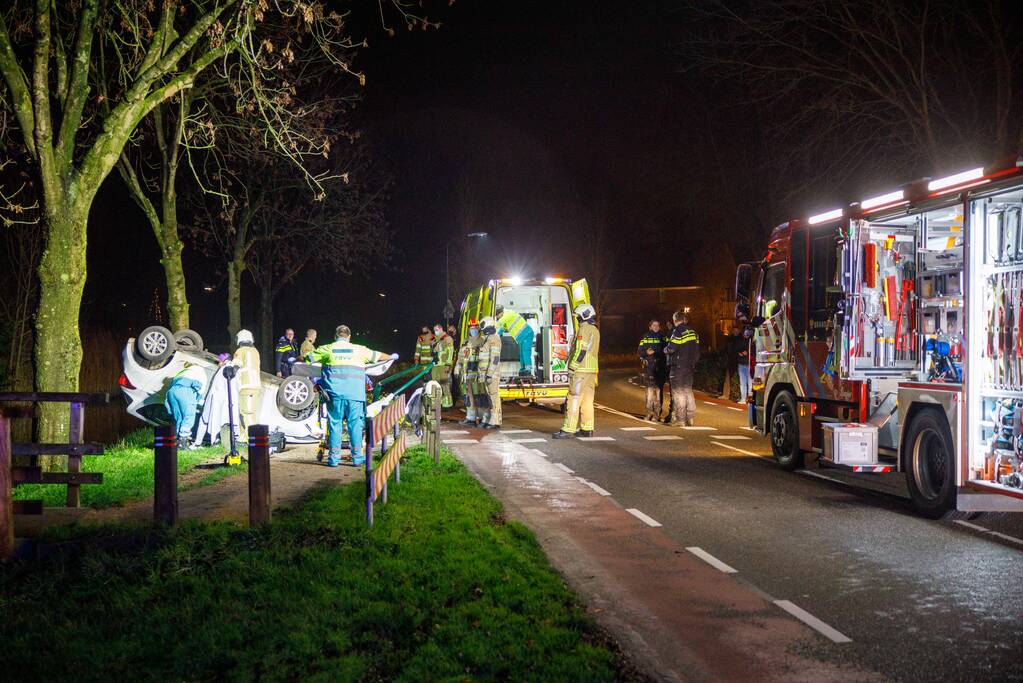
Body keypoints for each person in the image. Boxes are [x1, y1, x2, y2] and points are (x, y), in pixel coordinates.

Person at [307, 325, 396, 467]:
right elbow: (379, 356)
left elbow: (307, 358)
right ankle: (357, 457)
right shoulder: (360, 350)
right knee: (355, 425)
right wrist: (392, 357)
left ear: (336, 336)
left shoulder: (328, 349)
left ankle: (334, 459)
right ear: (349, 337)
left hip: (334, 395)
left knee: (334, 424)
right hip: (355, 395)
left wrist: (295, 359)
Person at [554, 303, 600, 438]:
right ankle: (587, 429)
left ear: (584, 316)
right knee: (587, 400)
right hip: (592, 370)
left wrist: (572, 367)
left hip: (580, 370)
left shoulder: (584, 329)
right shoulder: (595, 330)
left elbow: (581, 350)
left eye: (578, 317)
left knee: (574, 397)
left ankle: (568, 429)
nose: (578, 319)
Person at [664, 310, 700, 427]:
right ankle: (690, 418)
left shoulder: (678, 331)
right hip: (689, 367)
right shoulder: (693, 332)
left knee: (678, 393)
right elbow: (697, 351)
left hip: (678, 367)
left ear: (675, 320)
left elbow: (672, 348)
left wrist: (665, 350)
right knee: (688, 391)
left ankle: (680, 420)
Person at [164, 362, 208, 449]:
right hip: (186, 390)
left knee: (179, 417)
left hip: (171, 392)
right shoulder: (200, 369)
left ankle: (177, 441)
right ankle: (183, 441)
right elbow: (201, 387)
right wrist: (200, 400)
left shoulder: (184, 371)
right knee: (189, 416)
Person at [638, 319, 668, 421]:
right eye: (654, 325)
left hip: (660, 368)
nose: (656, 327)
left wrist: (656, 351)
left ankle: (657, 415)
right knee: (649, 392)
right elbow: (639, 351)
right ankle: (648, 413)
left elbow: (667, 350)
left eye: (658, 325)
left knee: (658, 393)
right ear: (650, 327)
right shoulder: (645, 336)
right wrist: (646, 352)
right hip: (649, 368)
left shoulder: (663, 337)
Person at [455, 318, 484, 425]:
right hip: (467, 374)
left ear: (478, 328)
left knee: (479, 396)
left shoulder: (482, 341)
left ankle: (481, 417)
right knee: (468, 396)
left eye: (475, 328)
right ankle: (470, 417)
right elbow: (460, 357)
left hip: (478, 374)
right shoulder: (465, 342)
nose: (473, 330)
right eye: (471, 328)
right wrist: (457, 369)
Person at [477, 316, 504, 429]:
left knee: (494, 397)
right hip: (486, 374)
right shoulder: (488, 338)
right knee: (488, 398)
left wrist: (489, 374)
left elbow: (495, 358)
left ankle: (495, 420)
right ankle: (489, 419)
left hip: (491, 375)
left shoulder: (494, 339)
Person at [233, 329, 262, 431]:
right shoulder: (255, 351)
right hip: (255, 385)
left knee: (246, 413)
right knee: (249, 412)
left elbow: (236, 365)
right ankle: (243, 437)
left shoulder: (240, 351)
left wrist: (229, 369)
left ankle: (251, 438)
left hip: (246, 386)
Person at [495, 304, 535, 376]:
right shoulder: (506, 316)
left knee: (525, 352)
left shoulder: (507, 314)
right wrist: (497, 334)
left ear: (500, 313)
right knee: (521, 354)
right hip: (521, 337)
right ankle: (523, 369)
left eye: (497, 316)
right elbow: (503, 328)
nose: (497, 317)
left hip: (527, 334)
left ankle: (528, 370)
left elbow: (498, 324)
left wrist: (488, 327)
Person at [431, 323, 455, 408]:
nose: (435, 331)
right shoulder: (434, 340)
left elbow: (450, 352)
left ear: (441, 329)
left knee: (445, 385)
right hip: (436, 366)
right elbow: (433, 351)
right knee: (435, 384)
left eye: (437, 329)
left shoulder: (447, 338)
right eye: (434, 330)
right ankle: (439, 403)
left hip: (444, 365)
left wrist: (448, 364)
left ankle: (448, 405)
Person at [719, 324, 743, 401]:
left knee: (740, 379)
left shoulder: (741, 339)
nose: (735, 332)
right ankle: (726, 394)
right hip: (730, 360)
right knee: (728, 378)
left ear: (739, 331)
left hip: (739, 361)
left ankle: (739, 396)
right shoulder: (730, 339)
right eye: (734, 331)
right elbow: (726, 349)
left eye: (737, 331)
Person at [737, 324, 753, 403]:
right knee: (742, 383)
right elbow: (736, 349)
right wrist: (740, 352)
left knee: (750, 383)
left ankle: (750, 399)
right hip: (741, 364)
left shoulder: (751, 340)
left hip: (749, 364)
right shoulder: (739, 339)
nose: (745, 335)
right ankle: (743, 398)